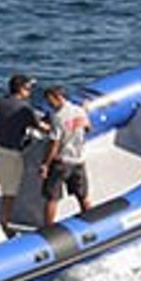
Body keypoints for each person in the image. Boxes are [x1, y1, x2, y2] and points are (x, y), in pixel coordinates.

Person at [0, 74, 45, 235]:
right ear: (21, 89)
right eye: (28, 89)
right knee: (9, 193)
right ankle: (4, 225)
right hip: (11, 154)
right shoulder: (24, 109)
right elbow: (40, 126)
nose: (30, 92)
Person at [40, 85, 92, 226]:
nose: (49, 105)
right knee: (83, 195)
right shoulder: (80, 111)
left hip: (62, 162)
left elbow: (54, 144)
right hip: (79, 160)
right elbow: (88, 128)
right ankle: (91, 221)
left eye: (50, 101)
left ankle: (48, 228)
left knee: (52, 198)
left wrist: (45, 164)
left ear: (58, 97)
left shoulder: (57, 117)